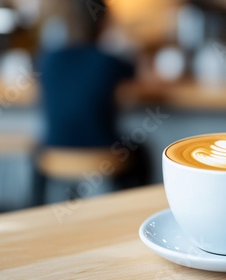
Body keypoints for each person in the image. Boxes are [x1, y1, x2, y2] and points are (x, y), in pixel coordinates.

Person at [35, 0, 151, 203]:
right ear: (104, 24)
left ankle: (34, 208)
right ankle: (133, 209)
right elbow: (143, 77)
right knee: (141, 151)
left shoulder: (47, 59)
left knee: (35, 149)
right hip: (104, 149)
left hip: (53, 148)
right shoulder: (108, 61)